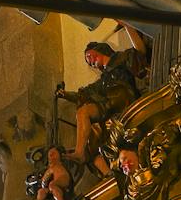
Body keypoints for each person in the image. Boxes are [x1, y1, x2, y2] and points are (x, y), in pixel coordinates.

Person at [57, 25, 150, 170]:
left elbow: (140, 52)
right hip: (109, 105)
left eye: (89, 57)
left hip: (123, 98)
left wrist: (128, 27)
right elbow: (84, 93)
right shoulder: (103, 81)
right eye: (88, 62)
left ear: (99, 50)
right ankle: (80, 152)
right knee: (82, 112)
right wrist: (65, 94)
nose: (90, 62)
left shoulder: (120, 59)